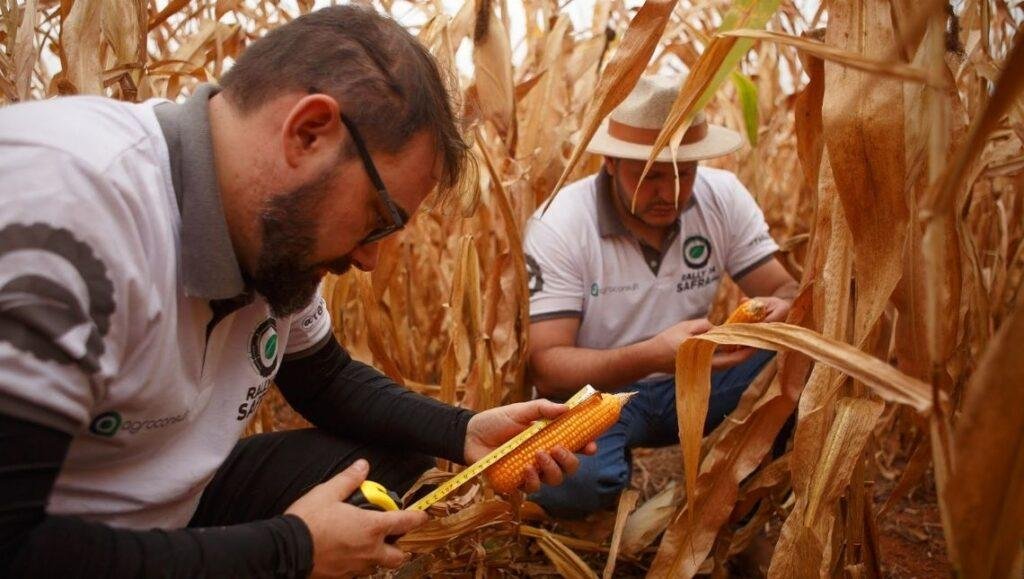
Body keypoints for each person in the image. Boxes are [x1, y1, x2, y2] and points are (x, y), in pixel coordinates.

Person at [0, 6, 594, 577]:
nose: (369, 258)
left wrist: (463, 430)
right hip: (44, 536)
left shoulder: (266, 228)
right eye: (378, 217)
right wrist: (290, 551)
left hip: (156, 510)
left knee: (386, 478)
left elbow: (325, 380)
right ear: (308, 132)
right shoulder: (62, 221)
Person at [523, 74, 798, 518]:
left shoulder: (722, 197)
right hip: (592, 396)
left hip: (695, 382)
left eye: (683, 174)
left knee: (799, 359)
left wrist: (786, 309)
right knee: (570, 485)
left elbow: (783, 287)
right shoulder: (559, 224)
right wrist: (653, 355)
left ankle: (741, 507)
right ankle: (600, 505)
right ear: (611, 161)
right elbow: (548, 367)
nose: (669, 194)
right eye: (649, 177)